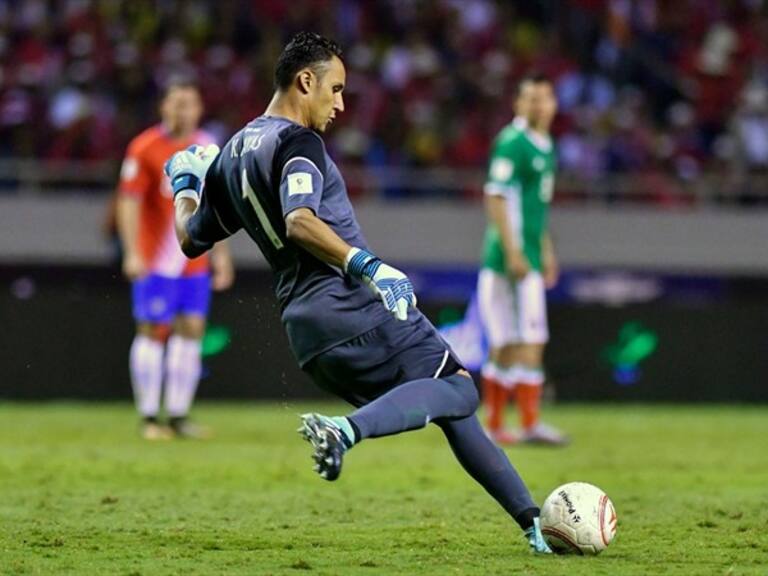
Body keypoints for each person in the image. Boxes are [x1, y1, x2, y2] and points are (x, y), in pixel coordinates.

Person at [163, 32, 552, 553]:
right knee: (461, 389)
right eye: (336, 89)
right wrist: (367, 266)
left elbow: (190, 240)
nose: (341, 104)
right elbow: (300, 220)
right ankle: (345, 432)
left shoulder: (232, 154)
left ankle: (530, 520)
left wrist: (185, 190)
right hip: (352, 306)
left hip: (307, 333)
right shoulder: (297, 142)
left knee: (448, 395)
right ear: (306, 81)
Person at [116, 78, 234, 440]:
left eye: (190, 104)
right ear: (163, 108)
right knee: (153, 330)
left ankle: (179, 416)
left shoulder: (208, 148)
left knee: (192, 330)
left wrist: (222, 256)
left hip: (193, 261)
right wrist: (133, 251)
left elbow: (217, 208)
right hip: (156, 260)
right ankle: (150, 418)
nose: (183, 110)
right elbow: (128, 202)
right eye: (177, 103)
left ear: (199, 110)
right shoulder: (144, 148)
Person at [477, 74, 567, 446]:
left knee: (516, 342)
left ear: (554, 104)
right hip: (508, 260)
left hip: (527, 255)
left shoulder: (546, 146)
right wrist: (513, 252)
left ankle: (501, 424)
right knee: (523, 341)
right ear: (518, 104)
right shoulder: (512, 143)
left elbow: (535, 210)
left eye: (544, 98)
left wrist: (545, 251)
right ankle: (521, 425)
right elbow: (495, 197)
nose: (538, 105)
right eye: (530, 98)